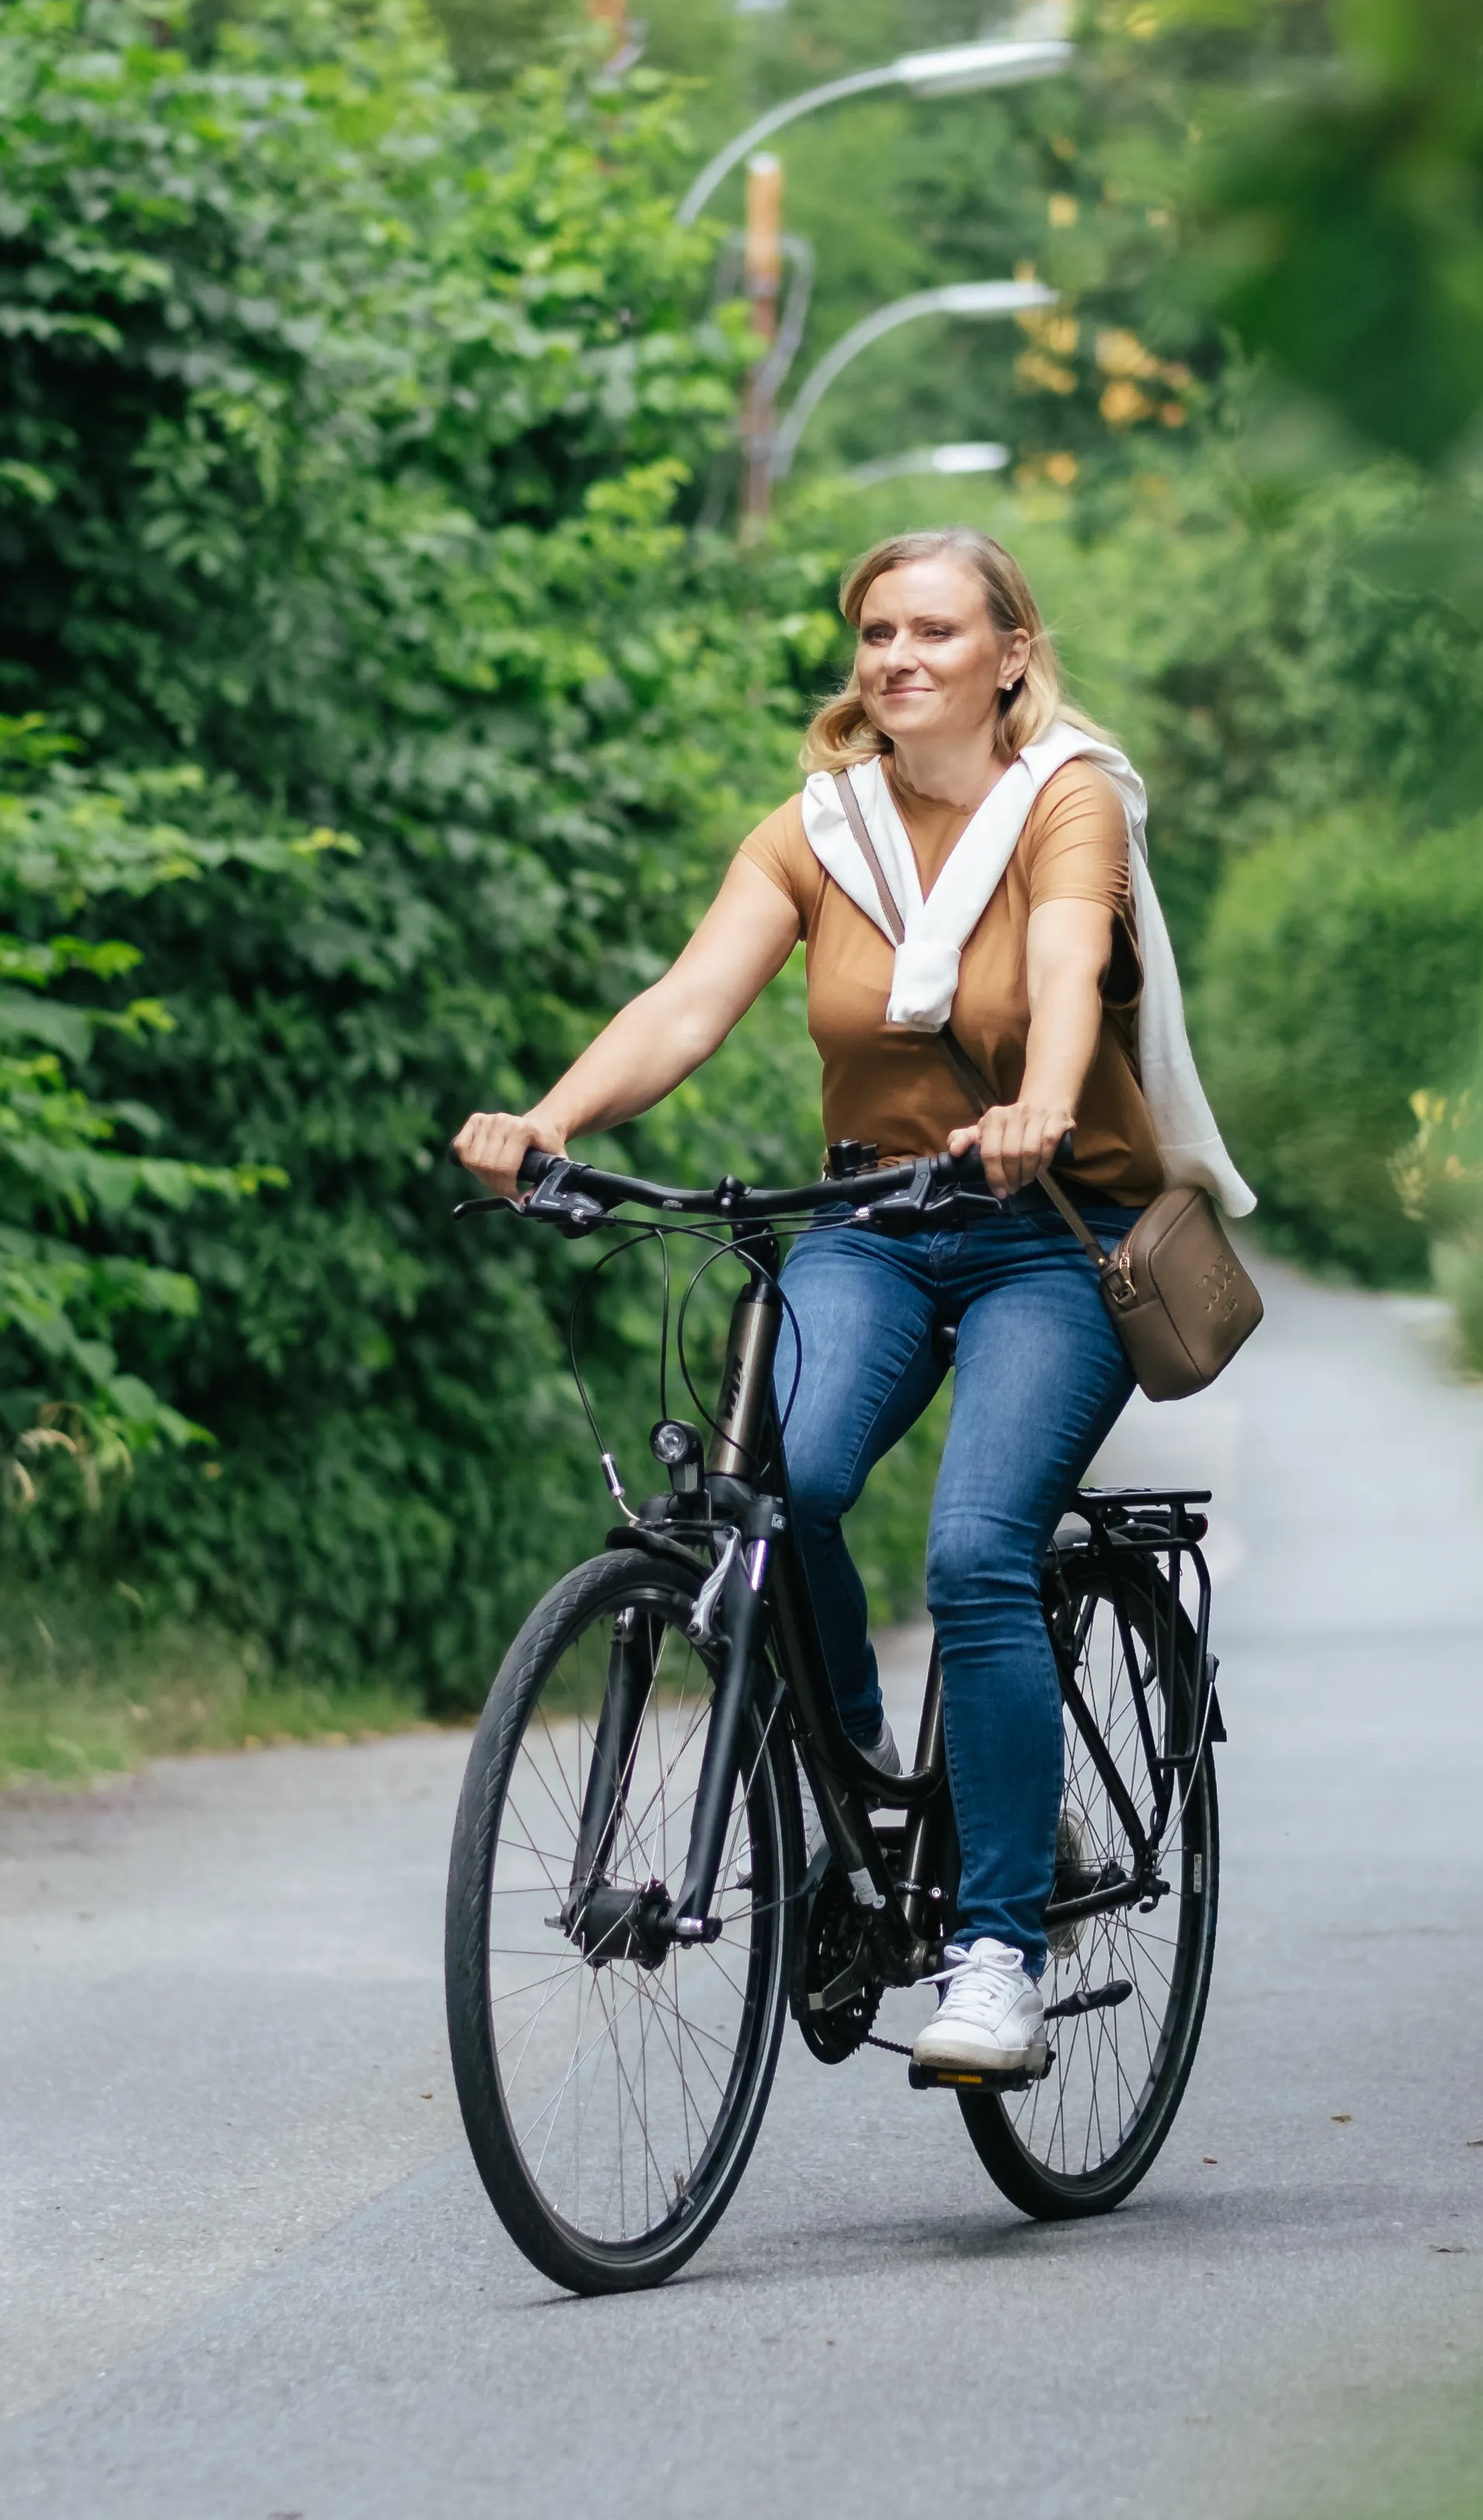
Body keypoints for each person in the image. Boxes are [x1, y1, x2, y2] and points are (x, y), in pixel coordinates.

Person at [452, 527, 1253, 2078]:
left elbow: (1076, 962)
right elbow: (688, 1002)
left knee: (973, 1549)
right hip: (873, 1219)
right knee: (778, 1487)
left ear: (1009, 653)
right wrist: (547, 1121)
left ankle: (1000, 1950)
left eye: (936, 631)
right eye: (876, 631)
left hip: (1051, 1225)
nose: (897, 657)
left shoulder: (1067, 798)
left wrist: (1034, 1096)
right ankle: (852, 1788)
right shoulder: (818, 830)